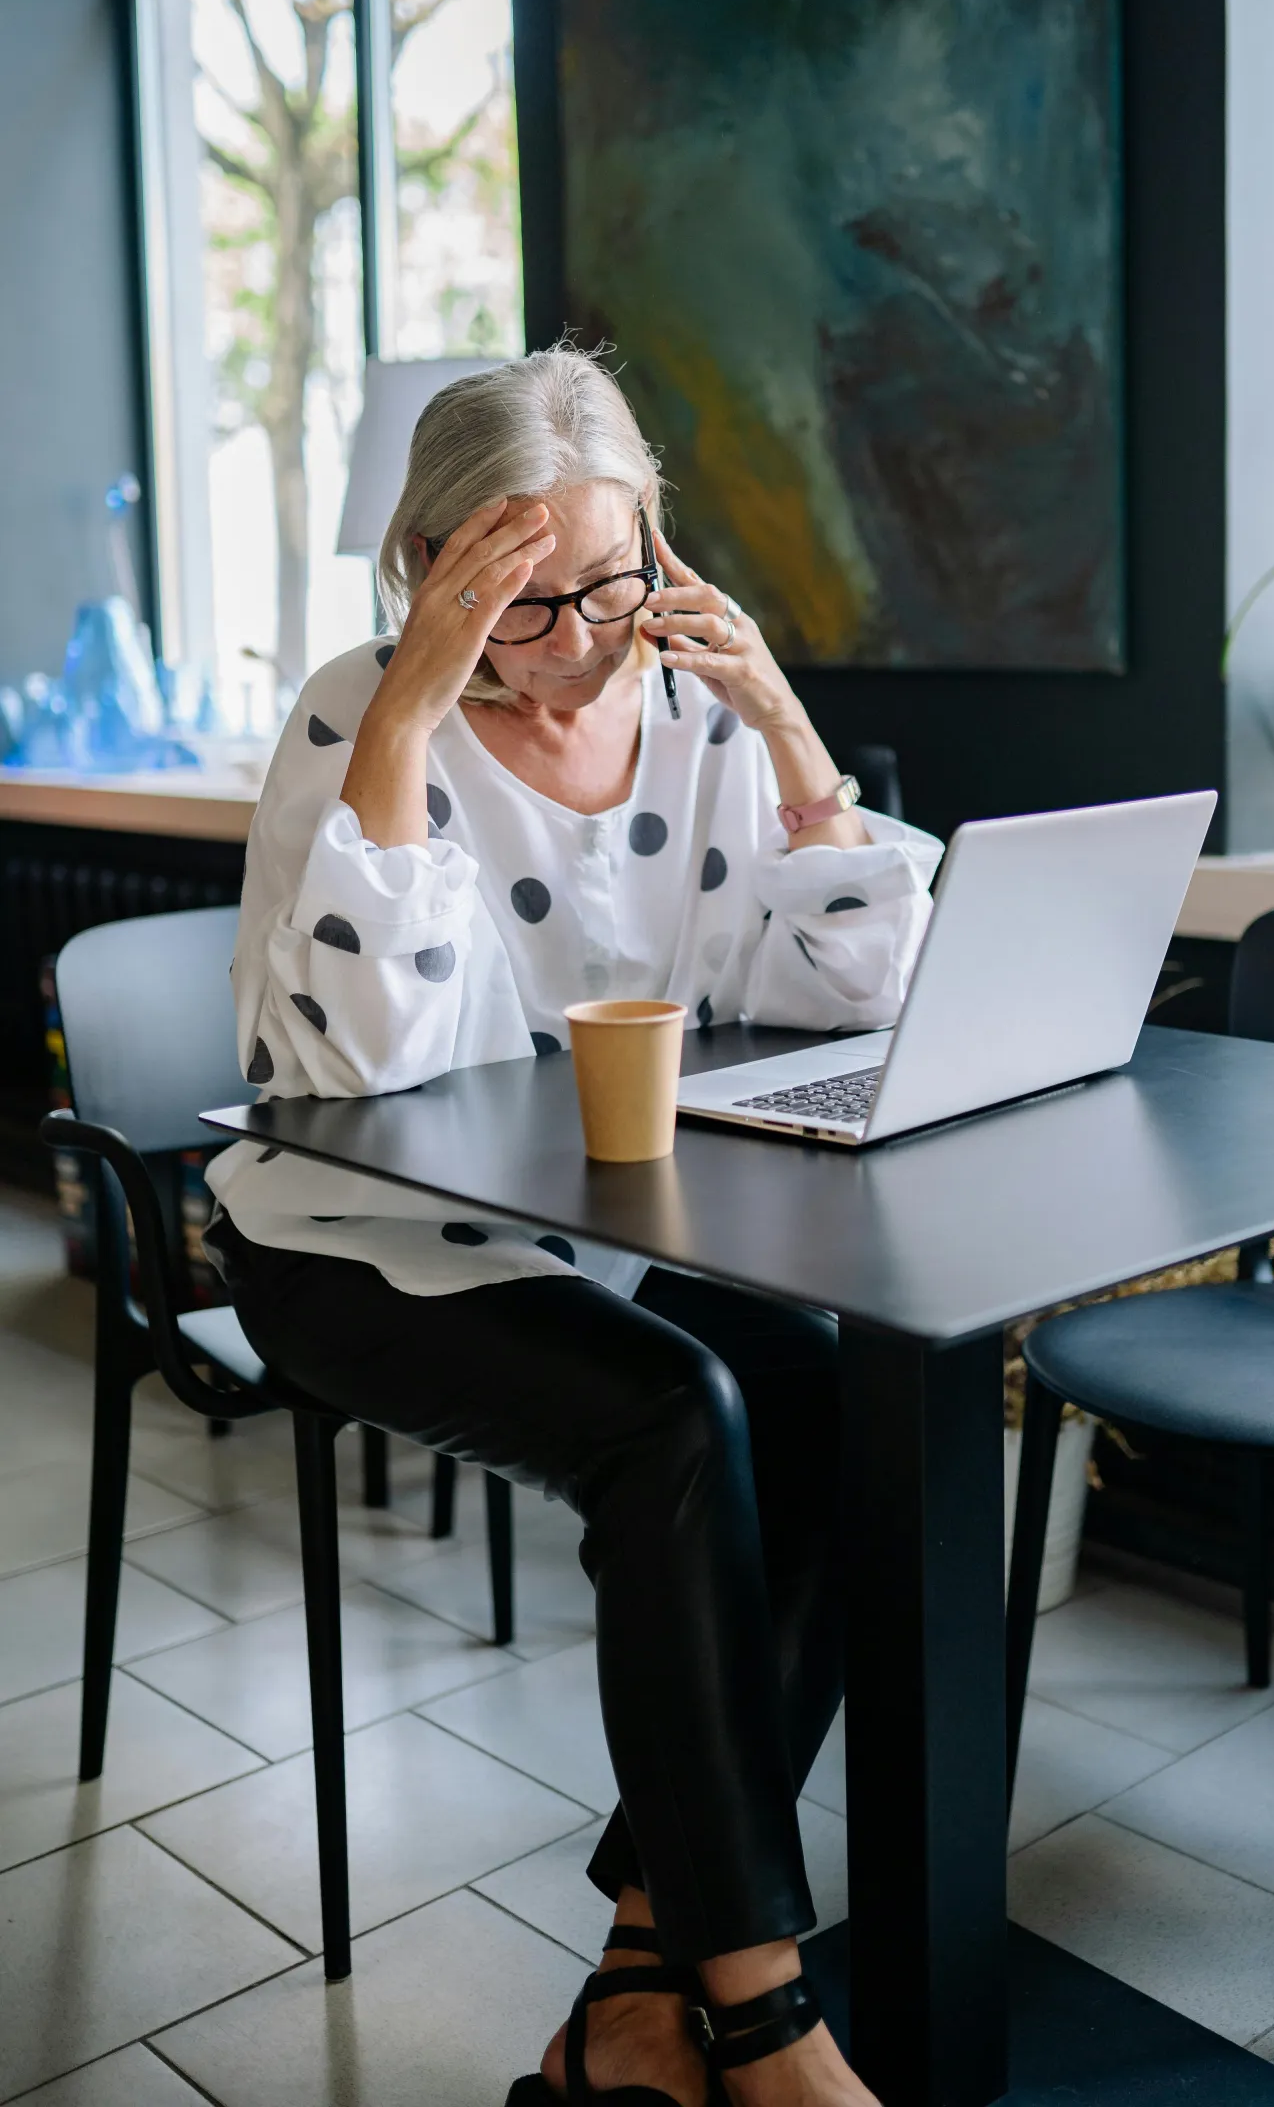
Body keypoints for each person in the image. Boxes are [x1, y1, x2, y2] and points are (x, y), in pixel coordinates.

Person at [204, 346, 943, 2107]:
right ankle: (765, 2022)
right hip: (346, 1236)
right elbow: (376, 1074)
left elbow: (846, 993)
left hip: (587, 1236)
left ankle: (637, 1975)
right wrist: (407, 717)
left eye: (608, 586)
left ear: (658, 547)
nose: (573, 644)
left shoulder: (688, 712)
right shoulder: (355, 714)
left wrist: (785, 730)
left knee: (855, 1405)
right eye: (516, 600)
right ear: (426, 564)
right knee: (674, 1417)